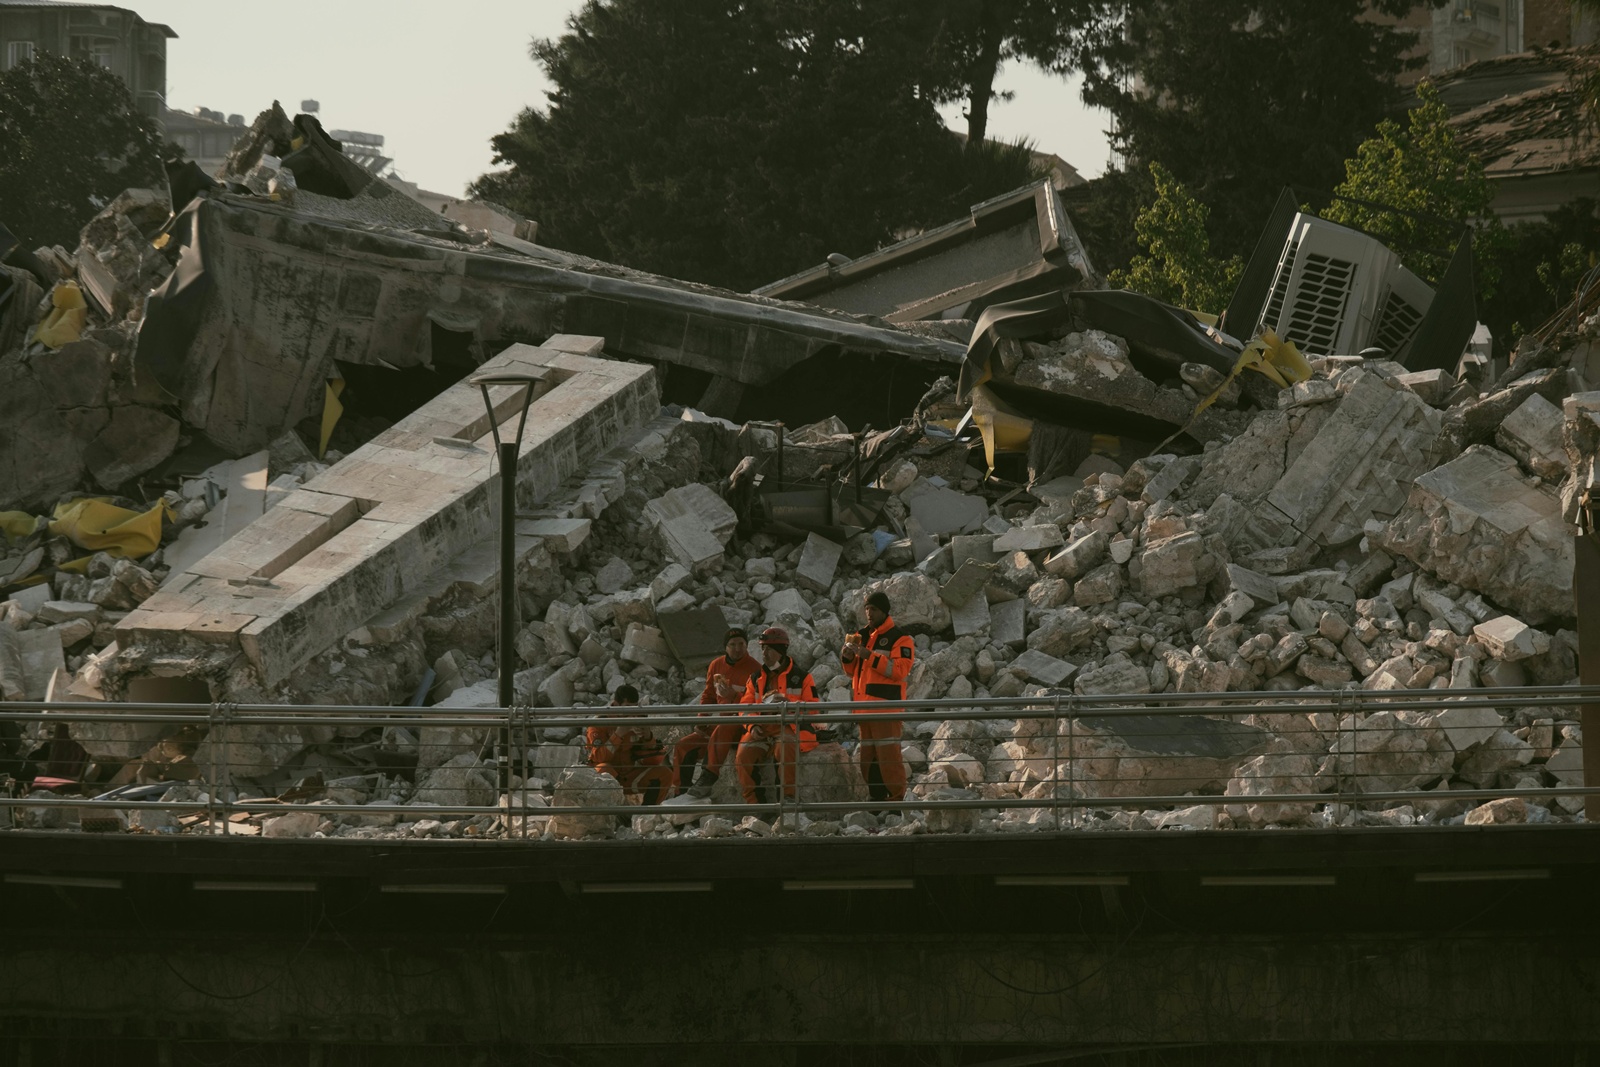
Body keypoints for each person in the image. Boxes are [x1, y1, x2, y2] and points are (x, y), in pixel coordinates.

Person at [841, 590, 913, 803]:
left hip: (885, 709)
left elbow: (900, 670)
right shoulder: (861, 635)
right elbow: (853, 672)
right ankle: (876, 798)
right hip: (864, 709)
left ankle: (897, 799)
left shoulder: (900, 638)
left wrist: (868, 656)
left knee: (889, 757)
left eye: (874, 609)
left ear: (884, 611)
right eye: (867, 609)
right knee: (869, 760)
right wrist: (847, 659)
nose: (869, 613)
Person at [734, 627, 819, 806]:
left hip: (789, 727)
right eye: (763, 648)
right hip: (762, 728)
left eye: (769, 649)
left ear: (780, 652)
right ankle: (755, 805)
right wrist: (752, 726)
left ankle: (787, 799)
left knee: (786, 748)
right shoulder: (756, 677)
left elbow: (813, 710)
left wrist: (788, 703)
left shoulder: (802, 677)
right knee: (743, 756)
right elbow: (745, 707)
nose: (764, 653)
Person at [672, 628, 760, 798]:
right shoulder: (716, 665)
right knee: (684, 745)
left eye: (741, 644)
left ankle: (708, 776)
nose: (737, 648)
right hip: (720, 724)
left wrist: (734, 695)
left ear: (747, 645)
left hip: (743, 725)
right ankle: (681, 793)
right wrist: (702, 719)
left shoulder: (755, 670)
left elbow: (758, 702)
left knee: (725, 726)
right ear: (725, 648)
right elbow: (708, 695)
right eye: (732, 645)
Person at [584, 684, 675, 805]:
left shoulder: (639, 718)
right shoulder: (599, 723)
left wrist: (648, 737)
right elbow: (599, 758)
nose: (630, 713)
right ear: (616, 704)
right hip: (607, 777)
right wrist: (618, 734)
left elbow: (653, 761)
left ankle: (646, 814)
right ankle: (610, 814)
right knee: (604, 769)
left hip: (629, 776)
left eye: (633, 708)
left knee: (665, 773)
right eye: (627, 708)